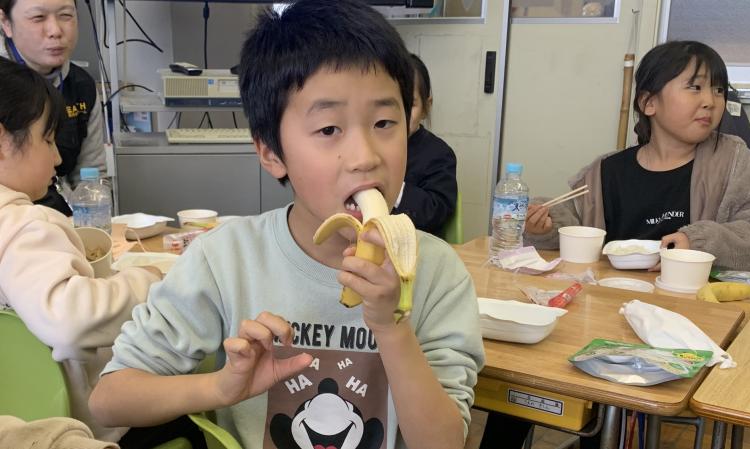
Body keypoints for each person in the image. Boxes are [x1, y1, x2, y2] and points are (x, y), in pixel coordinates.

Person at [88, 2, 485, 449]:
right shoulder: (225, 260)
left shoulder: (438, 274)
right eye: (329, 129)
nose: (366, 156)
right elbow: (109, 401)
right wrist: (220, 387)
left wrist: (393, 328)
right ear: (271, 153)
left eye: (384, 122)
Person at [0, 58, 197, 447]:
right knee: (191, 415)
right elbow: (68, 319)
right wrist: (146, 282)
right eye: (48, 139)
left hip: (17, 412)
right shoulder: (24, 224)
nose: (58, 158)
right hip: (78, 424)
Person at [524, 40, 750, 273]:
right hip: (612, 300)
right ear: (649, 103)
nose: (710, 101)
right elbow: (573, 234)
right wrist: (545, 228)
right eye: (695, 87)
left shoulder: (734, 163)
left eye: (718, 90)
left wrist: (700, 244)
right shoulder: (605, 172)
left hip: (697, 306)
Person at [0, 0, 106, 216]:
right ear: (5, 23)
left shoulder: (82, 86)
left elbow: (92, 176)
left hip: (62, 216)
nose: (55, 31)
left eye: (65, 15)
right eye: (38, 17)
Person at [392, 53, 458, 238]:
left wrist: (393, 188)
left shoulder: (439, 154)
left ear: (426, 107)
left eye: (410, 105)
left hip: (418, 246)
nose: (401, 114)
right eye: (391, 105)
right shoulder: (367, 148)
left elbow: (437, 211)